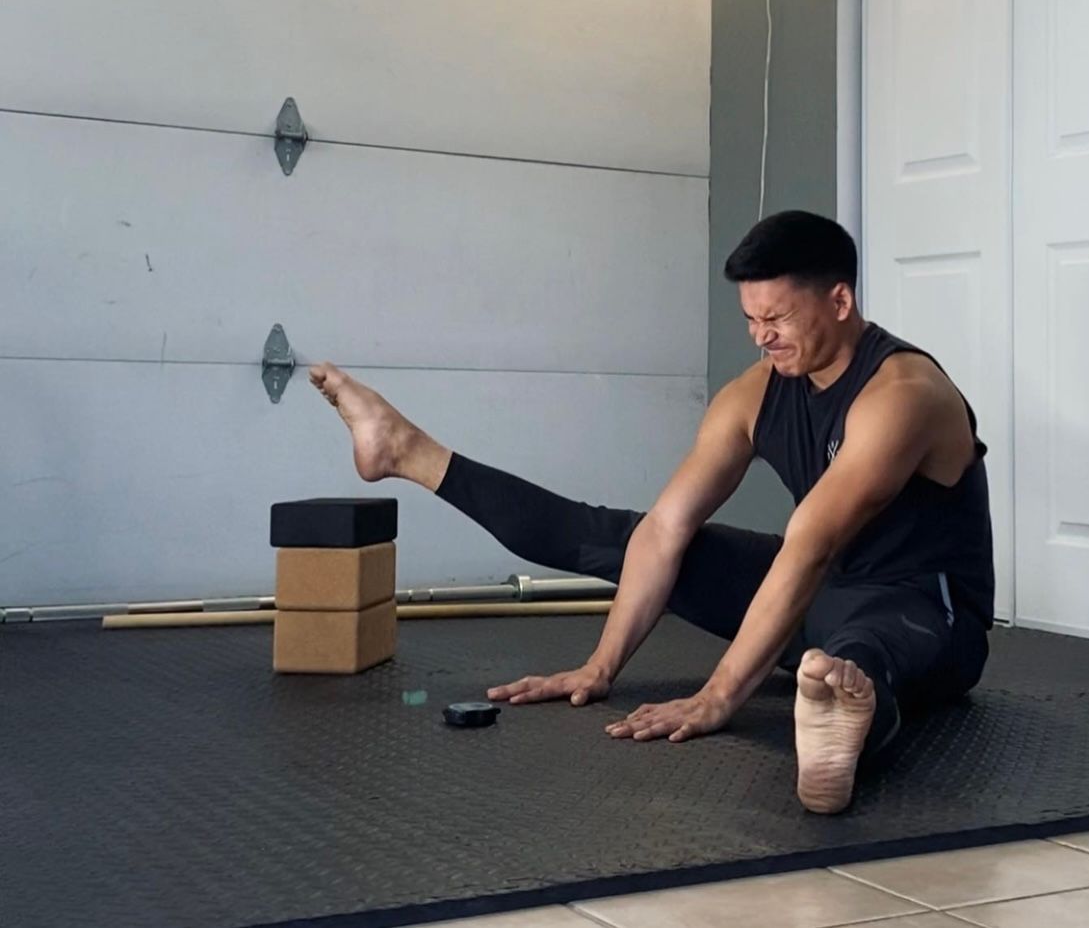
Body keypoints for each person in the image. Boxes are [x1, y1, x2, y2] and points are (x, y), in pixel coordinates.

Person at [309, 210, 994, 814]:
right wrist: (600, 666)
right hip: (820, 590)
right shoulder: (754, 393)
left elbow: (810, 542)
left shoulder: (903, 393)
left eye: (777, 318)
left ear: (840, 300)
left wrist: (719, 696)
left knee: (856, 655)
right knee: (621, 535)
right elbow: (667, 528)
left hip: (924, 611)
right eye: (750, 319)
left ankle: (840, 722)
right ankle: (411, 453)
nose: (761, 337)